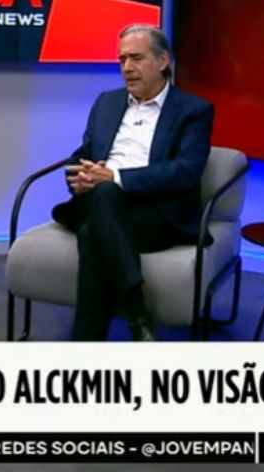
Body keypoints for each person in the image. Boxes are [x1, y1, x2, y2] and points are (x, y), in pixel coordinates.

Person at [52, 24, 213, 341]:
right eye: (122, 59)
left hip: (155, 213)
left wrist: (116, 177)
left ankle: (87, 342)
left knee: (92, 232)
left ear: (163, 60)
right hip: (97, 200)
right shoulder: (107, 102)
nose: (127, 67)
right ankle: (136, 311)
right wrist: (80, 177)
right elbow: (83, 153)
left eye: (136, 58)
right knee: (104, 195)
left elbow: (185, 171)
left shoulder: (193, 110)